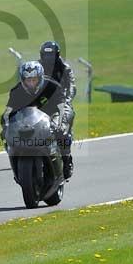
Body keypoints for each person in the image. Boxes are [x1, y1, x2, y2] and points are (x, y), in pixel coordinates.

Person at [1, 60, 75, 180]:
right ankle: (16, 160)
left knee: (62, 131)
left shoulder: (52, 86)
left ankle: (66, 160)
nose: (31, 83)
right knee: (4, 133)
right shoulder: (16, 91)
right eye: (28, 80)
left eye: (34, 80)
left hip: (53, 114)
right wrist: (6, 124)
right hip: (29, 119)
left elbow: (62, 107)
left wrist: (60, 123)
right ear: (22, 80)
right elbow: (9, 111)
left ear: (40, 78)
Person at [38, 41, 76, 178]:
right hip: (41, 102)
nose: (48, 59)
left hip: (60, 102)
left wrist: (68, 98)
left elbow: (72, 85)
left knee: (62, 129)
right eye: (46, 56)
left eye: (51, 56)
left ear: (57, 55)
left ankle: (66, 159)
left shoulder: (64, 68)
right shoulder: (38, 67)